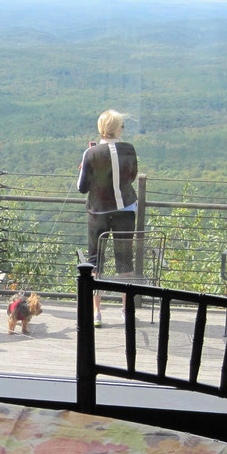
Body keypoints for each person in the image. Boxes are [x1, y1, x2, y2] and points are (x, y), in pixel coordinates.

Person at [77, 109, 138, 327]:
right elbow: (132, 176)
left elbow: (82, 187)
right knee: (125, 260)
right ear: (118, 129)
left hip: (98, 212)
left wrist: (86, 169)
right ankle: (126, 309)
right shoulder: (129, 149)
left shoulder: (91, 153)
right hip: (125, 209)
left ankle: (96, 313)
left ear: (101, 129)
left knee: (95, 261)